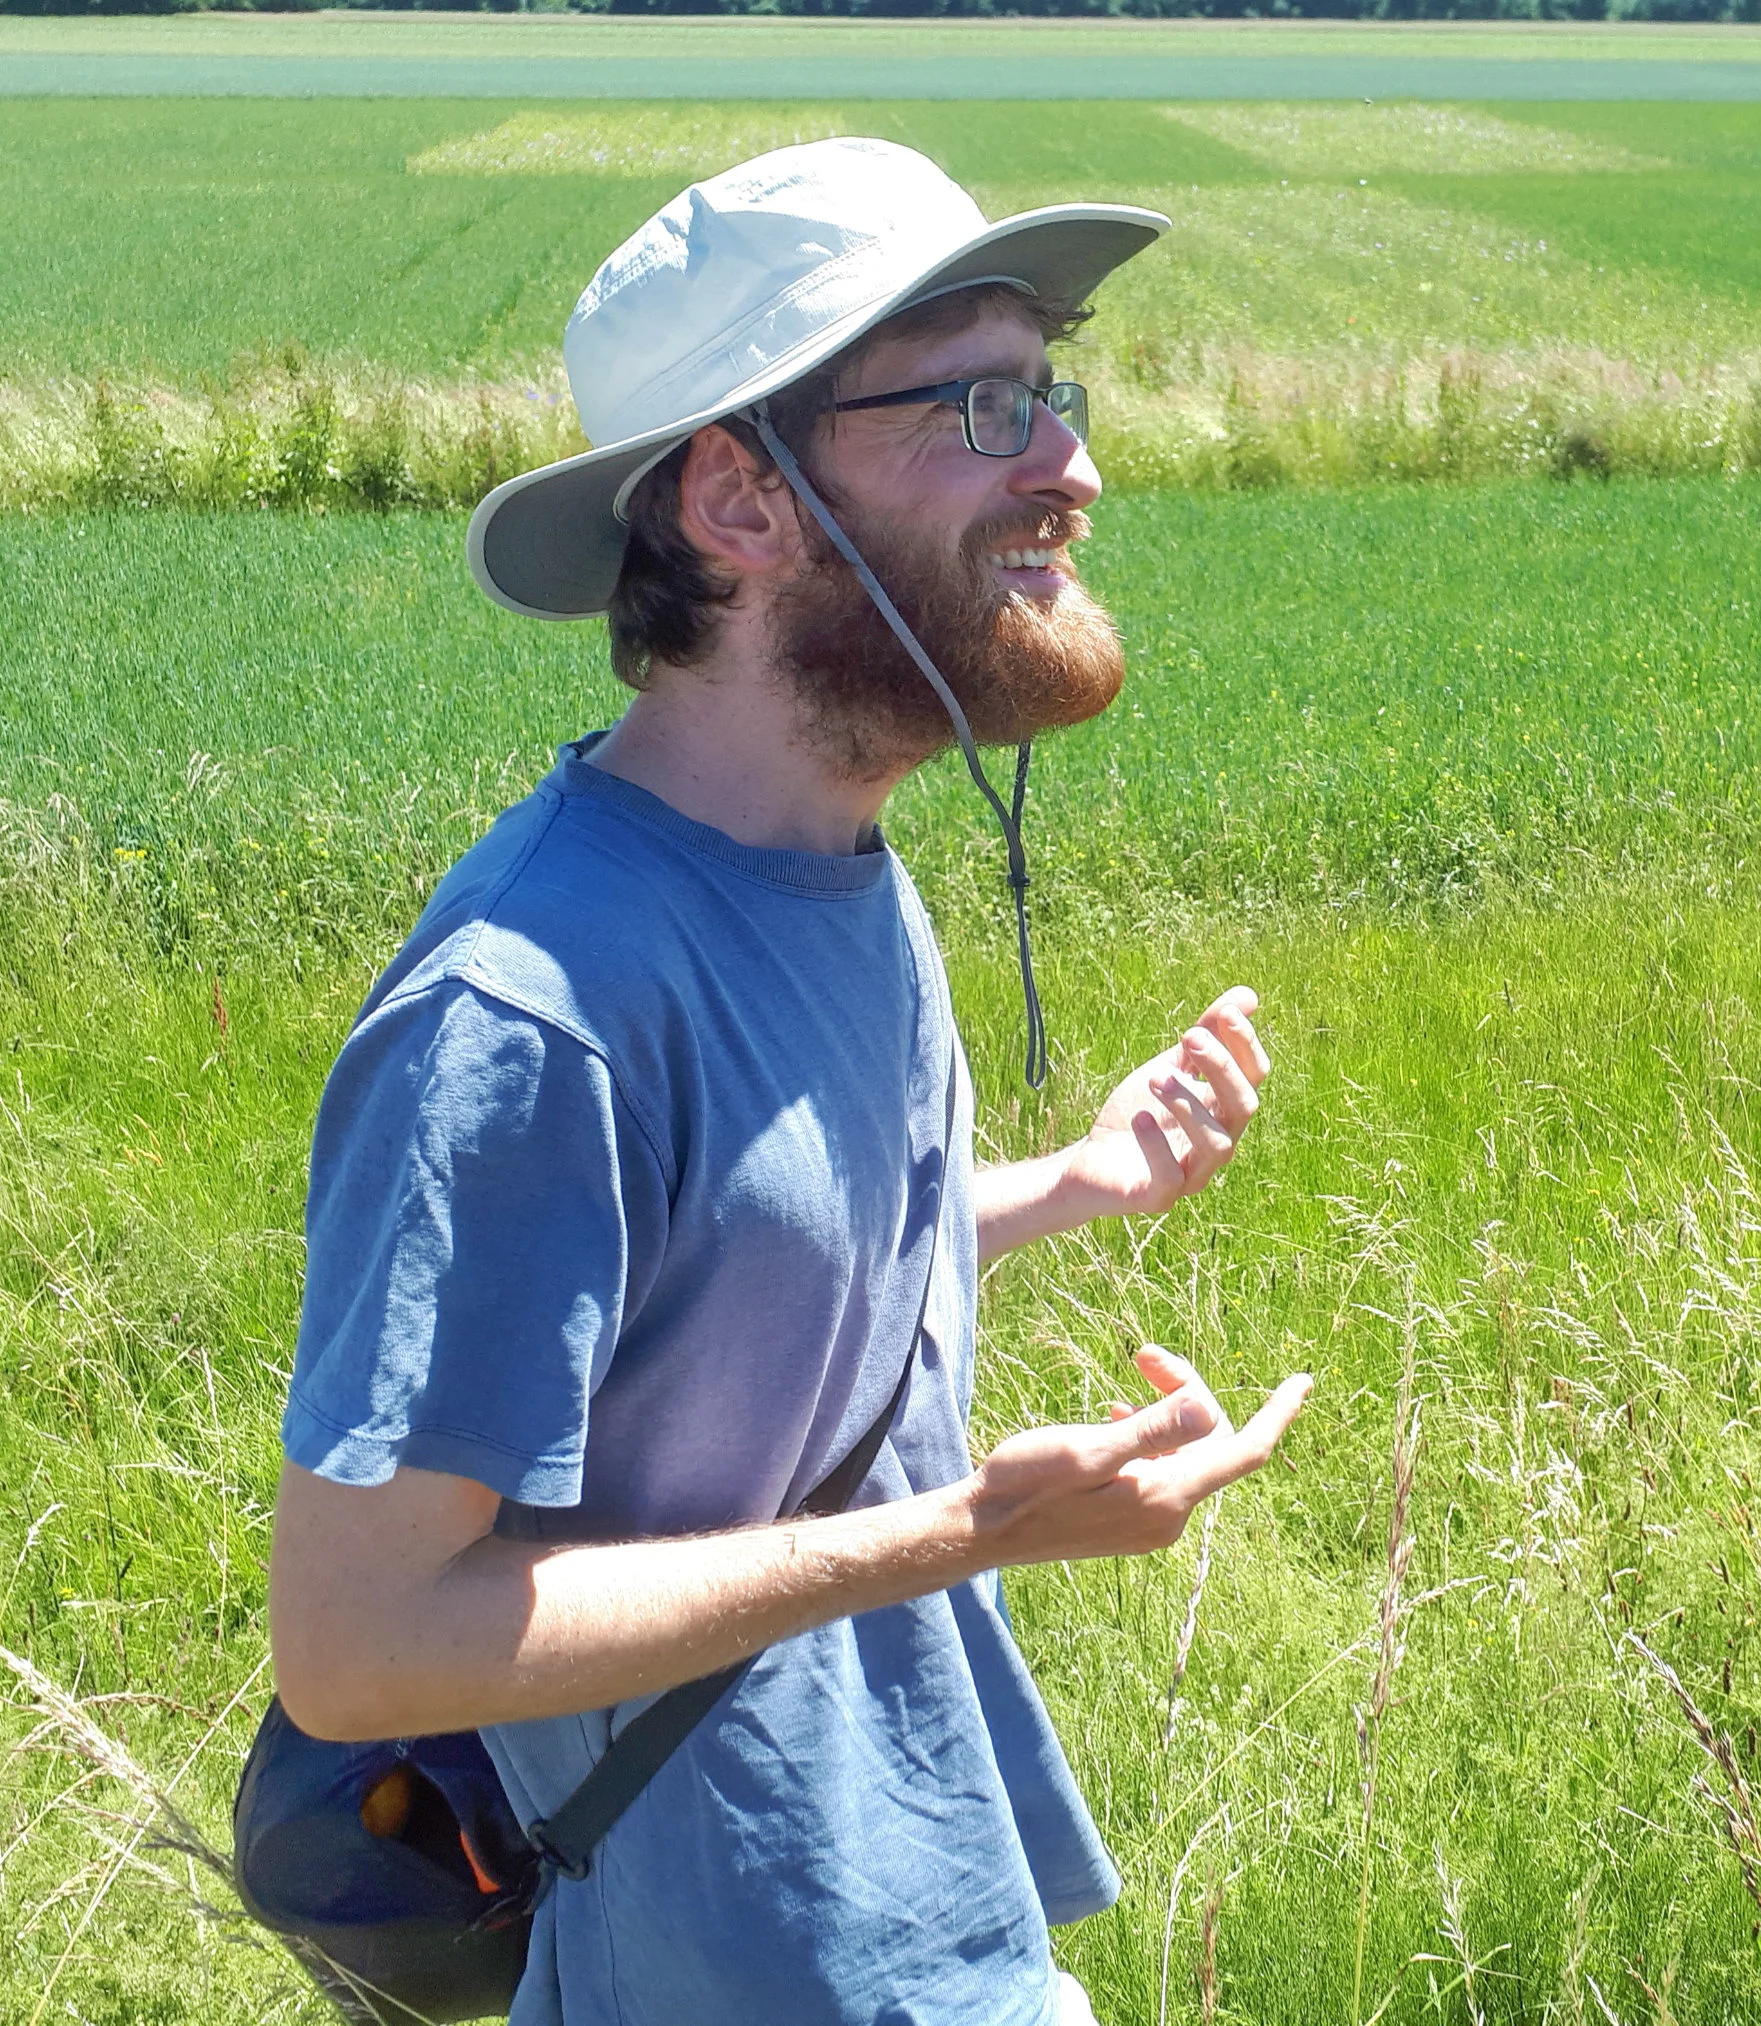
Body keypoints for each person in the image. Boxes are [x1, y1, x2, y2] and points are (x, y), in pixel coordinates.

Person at [265, 139, 1312, 2026]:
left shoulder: (839, 861)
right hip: (732, 1963)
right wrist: (966, 1531)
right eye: (978, 400)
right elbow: (355, 1645)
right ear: (740, 498)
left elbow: (722, 1282)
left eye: (1053, 388)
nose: (1068, 462)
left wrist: (1075, 1179)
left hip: (932, 1904)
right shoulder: (530, 1013)